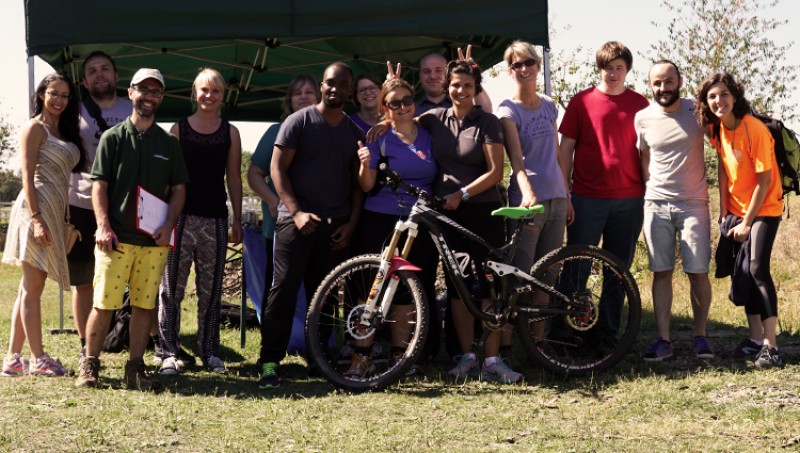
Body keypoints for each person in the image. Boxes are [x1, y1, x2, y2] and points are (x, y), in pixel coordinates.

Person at [75, 68, 189, 390]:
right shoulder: (113, 138)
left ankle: (135, 368)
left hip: (153, 242)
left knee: (144, 305)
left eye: (156, 91)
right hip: (116, 240)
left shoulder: (168, 143)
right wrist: (103, 226)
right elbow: (100, 185)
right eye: (144, 90)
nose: (149, 96)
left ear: (161, 98)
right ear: (131, 92)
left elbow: (179, 188)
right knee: (104, 303)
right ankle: (90, 363)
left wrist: (169, 225)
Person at [257, 62, 365, 389]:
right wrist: (296, 212)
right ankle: (270, 363)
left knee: (326, 296)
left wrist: (350, 225)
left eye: (342, 84)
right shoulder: (298, 121)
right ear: (322, 86)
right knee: (283, 291)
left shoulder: (353, 132)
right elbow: (277, 170)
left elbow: (358, 186)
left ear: (350, 91)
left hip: (334, 228)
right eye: (330, 83)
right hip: (295, 224)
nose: (335, 89)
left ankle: (319, 360)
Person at [417, 59, 518, 384]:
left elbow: (496, 172)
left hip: (483, 211)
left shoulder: (487, 121)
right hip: (448, 214)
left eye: (467, 86)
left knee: (488, 285)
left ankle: (491, 358)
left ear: (476, 90)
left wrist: (463, 193)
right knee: (457, 284)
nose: (461, 91)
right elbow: (402, 121)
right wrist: (382, 122)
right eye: (456, 85)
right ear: (448, 87)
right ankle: (467, 356)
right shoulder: (434, 118)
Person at [345, 78, 438, 377]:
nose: (402, 107)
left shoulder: (429, 134)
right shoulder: (379, 137)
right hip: (381, 219)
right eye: (394, 103)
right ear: (385, 108)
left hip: (418, 222)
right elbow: (367, 184)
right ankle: (362, 355)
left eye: (406, 100)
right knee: (371, 289)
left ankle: (401, 356)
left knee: (406, 292)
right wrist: (364, 163)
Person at [557, 41, 649, 343]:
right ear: (600, 68)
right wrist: (565, 193)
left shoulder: (641, 104)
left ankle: (607, 336)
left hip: (629, 199)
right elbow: (566, 148)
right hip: (586, 198)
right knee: (576, 268)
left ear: (627, 70)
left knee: (617, 271)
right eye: (608, 68)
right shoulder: (581, 101)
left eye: (618, 68)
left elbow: (650, 151)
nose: (613, 73)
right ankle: (567, 335)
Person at [156, 68, 243, 375]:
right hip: (180, 219)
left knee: (211, 291)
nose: (209, 95)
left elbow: (233, 177)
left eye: (215, 90)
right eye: (204, 90)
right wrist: (164, 219)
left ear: (223, 95)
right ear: (195, 93)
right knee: (171, 290)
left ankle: (210, 352)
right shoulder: (178, 129)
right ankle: (168, 351)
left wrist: (236, 219)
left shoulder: (230, 132)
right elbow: (167, 178)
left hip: (216, 220)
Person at [696, 72, 784, 368]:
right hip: (736, 211)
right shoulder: (717, 129)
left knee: (758, 268)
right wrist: (724, 209)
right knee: (742, 272)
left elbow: (764, 180)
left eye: (723, 94)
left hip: (765, 208)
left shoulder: (754, 129)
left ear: (734, 97)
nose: (718, 101)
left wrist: (746, 222)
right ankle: (755, 339)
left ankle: (771, 346)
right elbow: (723, 165)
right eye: (712, 97)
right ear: (706, 103)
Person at [2, 73, 85, 377]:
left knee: (29, 288)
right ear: (41, 94)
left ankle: (13, 358)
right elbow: (26, 174)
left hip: (53, 208)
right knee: (33, 287)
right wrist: (37, 218)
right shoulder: (34, 127)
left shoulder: (62, 129)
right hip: (34, 208)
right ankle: (38, 359)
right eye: (54, 93)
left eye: (65, 95)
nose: (60, 100)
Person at [496, 41, 570, 364]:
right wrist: (526, 192)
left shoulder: (550, 105)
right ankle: (507, 347)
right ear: (509, 70)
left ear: (538, 66)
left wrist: (567, 195)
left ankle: (538, 347)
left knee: (547, 276)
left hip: (556, 199)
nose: (523, 68)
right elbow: (517, 162)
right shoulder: (507, 111)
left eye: (528, 62)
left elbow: (556, 155)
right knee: (519, 277)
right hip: (527, 203)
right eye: (516, 64)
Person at [636, 61, 713, 362]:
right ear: (650, 85)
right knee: (661, 271)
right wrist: (650, 190)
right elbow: (644, 157)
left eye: (668, 81)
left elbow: (722, 142)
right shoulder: (642, 118)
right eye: (657, 83)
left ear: (679, 80)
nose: (663, 88)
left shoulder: (698, 111)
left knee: (698, 272)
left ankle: (702, 337)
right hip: (655, 204)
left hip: (694, 203)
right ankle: (663, 340)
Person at [68, 51, 132, 361]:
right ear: (84, 80)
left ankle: (148, 340)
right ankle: (85, 345)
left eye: (105, 68)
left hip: (126, 207)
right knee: (82, 280)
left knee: (135, 277)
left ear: (117, 76)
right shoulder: (73, 112)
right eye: (92, 71)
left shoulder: (133, 109)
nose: (99, 74)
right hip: (80, 203)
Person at [247, 74, 320, 345]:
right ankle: (272, 350)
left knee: (319, 289)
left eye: (310, 92)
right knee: (278, 291)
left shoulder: (329, 130)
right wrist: (274, 201)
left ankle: (318, 349)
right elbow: (254, 173)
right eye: (298, 92)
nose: (304, 96)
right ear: (289, 101)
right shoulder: (276, 131)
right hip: (280, 227)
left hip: (320, 225)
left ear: (319, 97)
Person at [414, 50, 493, 116]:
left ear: (448, 73)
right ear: (420, 75)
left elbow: (486, 113)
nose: (433, 76)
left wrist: (472, 75)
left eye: (438, 70)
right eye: (426, 71)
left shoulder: (463, 100)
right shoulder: (409, 108)